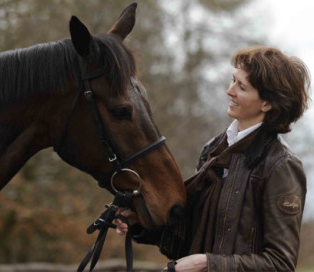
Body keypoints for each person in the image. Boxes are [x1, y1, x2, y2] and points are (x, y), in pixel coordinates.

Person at [115, 46, 311, 271]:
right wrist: (141, 223)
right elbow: (190, 235)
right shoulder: (213, 150)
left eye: (242, 87)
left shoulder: (281, 166)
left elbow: (280, 264)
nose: (230, 91)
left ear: (267, 104)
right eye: (233, 80)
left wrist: (207, 263)